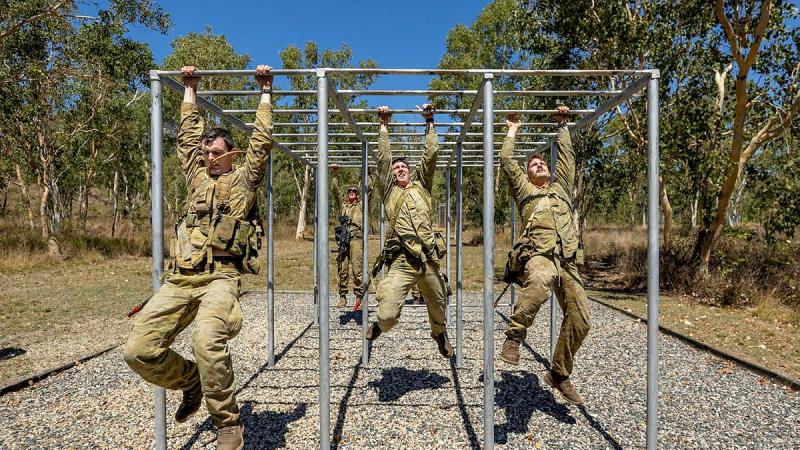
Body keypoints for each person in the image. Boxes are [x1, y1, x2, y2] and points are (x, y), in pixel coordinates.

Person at [123, 65, 275, 449]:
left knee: (207, 340)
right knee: (138, 350)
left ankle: (228, 421)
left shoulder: (243, 180)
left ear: (231, 154)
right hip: (181, 279)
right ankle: (189, 380)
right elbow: (187, 138)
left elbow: (261, 142)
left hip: (220, 279)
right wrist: (190, 88)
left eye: (217, 152)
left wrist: (265, 91)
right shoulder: (196, 177)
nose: (209, 157)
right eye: (206, 152)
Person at [498, 107, 591, 406]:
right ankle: (514, 336)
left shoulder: (561, 188)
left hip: (568, 260)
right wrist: (512, 130)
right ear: (527, 175)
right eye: (533, 165)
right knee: (540, 280)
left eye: (541, 162)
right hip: (539, 255)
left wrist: (563, 126)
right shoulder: (525, 192)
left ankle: (559, 374)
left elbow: (567, 159)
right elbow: (506, 161)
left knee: (581, 320)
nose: (538, 165)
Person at [364, 104, 452, 358]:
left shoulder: (421, 187)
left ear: (410, 171)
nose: (400, 169)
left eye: (403, 166)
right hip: (402, 261)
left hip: (428, 259)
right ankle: (379, 325)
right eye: (396, 168)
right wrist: (383, 127)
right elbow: (382, 161)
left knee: (439, 307)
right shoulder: (390, 192)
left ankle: (439, 333)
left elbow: (431, 153)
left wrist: (430, 121)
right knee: (388, 314)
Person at [330, 166, 374, 308]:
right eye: (349, 191)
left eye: (354, 191)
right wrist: (335, 174)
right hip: (344, 238)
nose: (352, 193)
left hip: (356, 238)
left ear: (357, 194)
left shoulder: (361, 205)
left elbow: (369, 190)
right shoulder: (343, 205)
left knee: (357, 269)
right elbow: (335, 190)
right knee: (342, 268)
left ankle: (359, 297)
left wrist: (368, 174)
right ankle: (342, 297)